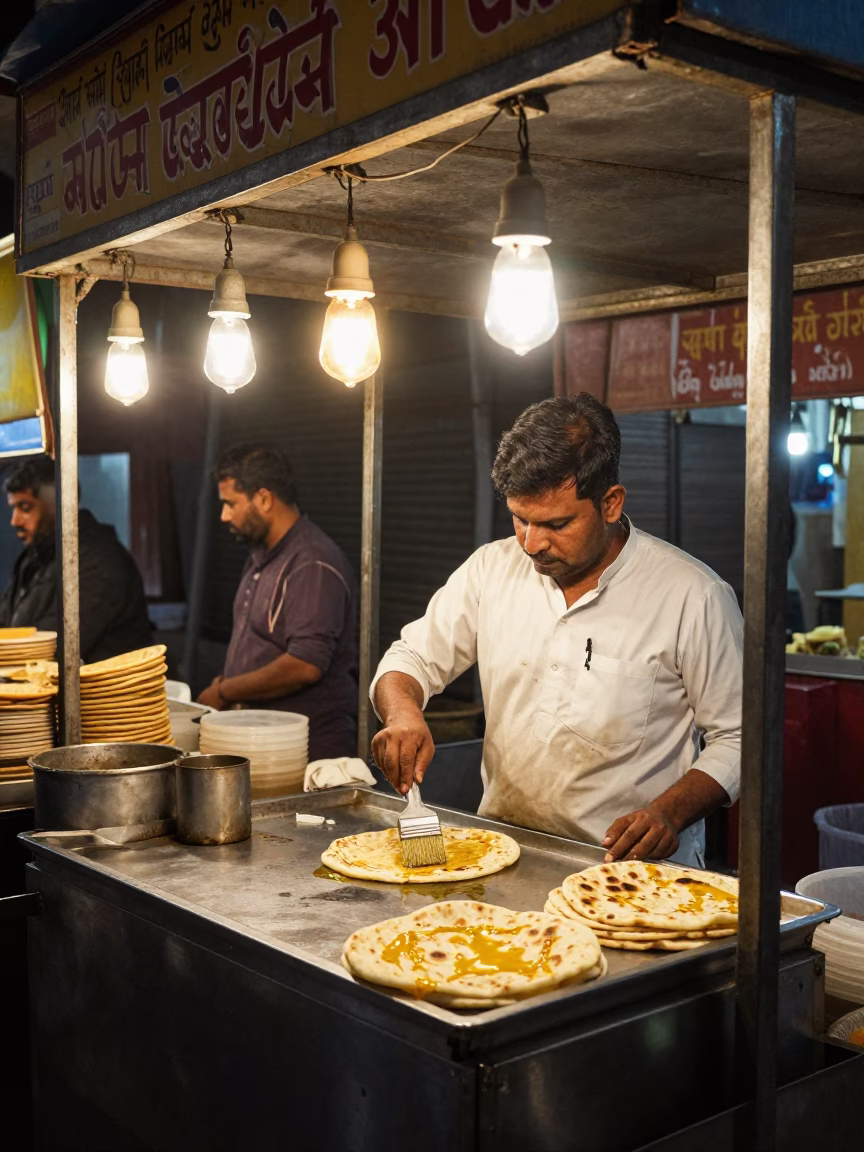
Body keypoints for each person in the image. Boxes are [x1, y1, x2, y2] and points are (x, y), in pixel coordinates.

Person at [370, 394, 743, 867]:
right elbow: (411, 658)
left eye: (556, 523)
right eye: (520, 519)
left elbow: (739, 737)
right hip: (506, 857)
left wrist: (669, 813)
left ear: (611, 503)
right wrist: (403, 713)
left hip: (632, 875)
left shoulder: (693, 596)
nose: (531, 542)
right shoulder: (492, 569)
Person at [198, 444, 358, 762]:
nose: (224, 515)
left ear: (264, 499)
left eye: (231, 503)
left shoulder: (312, 562)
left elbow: (305, 665)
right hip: (264, 744)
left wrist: (225, 691)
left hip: (306, 753)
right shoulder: (262, 555)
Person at [0, 455, 152, 663]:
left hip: (103, 695)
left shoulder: (101, 562)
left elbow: (48, 648)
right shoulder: (34, 559)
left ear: (60, 504)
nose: (14, 521)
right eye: (13, 508)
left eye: (25, 508)